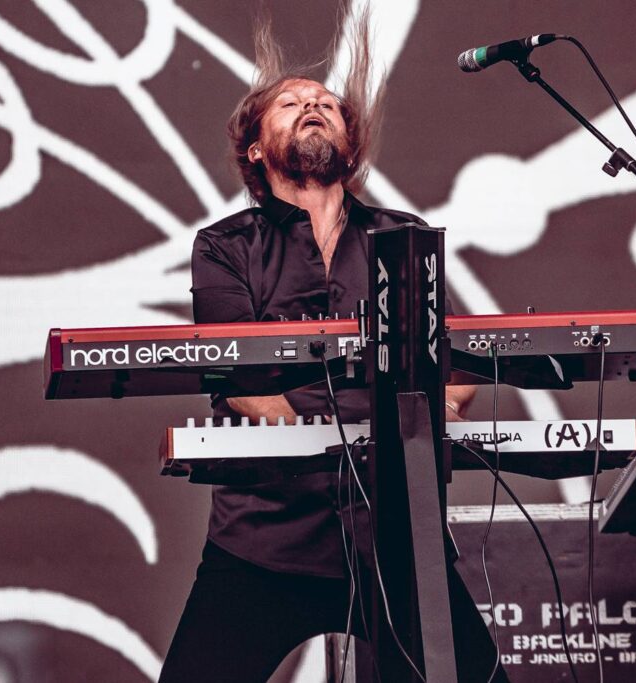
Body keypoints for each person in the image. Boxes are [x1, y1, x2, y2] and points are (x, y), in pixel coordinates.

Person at [159, 17, 503, 683]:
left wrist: (433, 408)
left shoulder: (401, 235)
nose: (312, 105)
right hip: (263, 538)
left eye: (325, 104)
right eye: (290, 103)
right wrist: (364, 433)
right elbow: (243, 384)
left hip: (396, 538)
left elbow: (454, 366)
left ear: (349, 144)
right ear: (255, 150)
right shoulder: (225, 246)